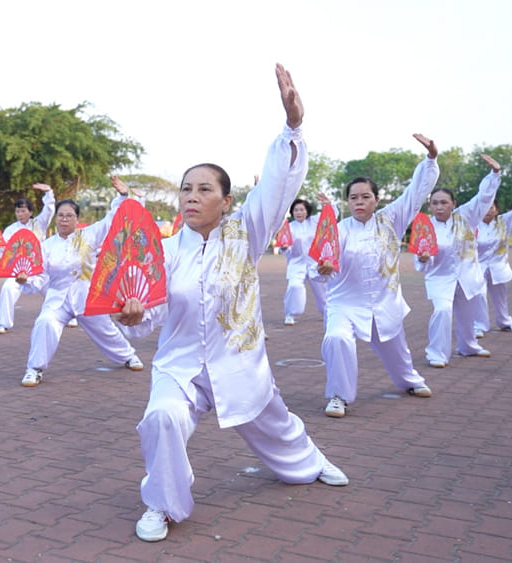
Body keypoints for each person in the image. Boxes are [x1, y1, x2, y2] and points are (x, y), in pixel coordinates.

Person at [117, 64, 347, 543]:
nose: (191, 197)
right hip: (180, 367)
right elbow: (148, 317)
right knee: (161, 418)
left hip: (239, 363)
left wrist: (293, 127)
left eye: (204, 189)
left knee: (278, 425)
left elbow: (277, 189)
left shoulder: (246, 232)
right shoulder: (164, 251)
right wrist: (133, 315)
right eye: (185, 189)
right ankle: (162, 504)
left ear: (226, 200)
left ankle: (310, 461)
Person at [311, 134, 440, 418]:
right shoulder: (339, 229)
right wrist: (322, 268)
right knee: (337, 339)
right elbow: (321, 262)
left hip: (384, 301)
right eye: (353, 197)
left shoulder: (391, 219)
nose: (359, 202)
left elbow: (415, 193)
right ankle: (338, 396)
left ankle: (410, 382)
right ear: (347, 202)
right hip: (345, 303)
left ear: (376, 199)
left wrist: (430, 159)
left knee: (398, 353)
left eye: (365, 196)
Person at [16, 177, 144, 387]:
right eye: (60, 216)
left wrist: (121, 196)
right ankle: (34, 369)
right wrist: (25, 280)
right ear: (55, 219)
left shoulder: (89, 235)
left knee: (106, 329)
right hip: (57, 298)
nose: (64, 220)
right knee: (45, 322)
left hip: (87, 297)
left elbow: (111, 219)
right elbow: (39, 276)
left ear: (77, 219)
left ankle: (128, 356)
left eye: (69, 216)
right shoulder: (46, 246)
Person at [415, 155, 502, 367]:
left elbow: (483, 198)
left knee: (467, 315)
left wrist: (494, 174)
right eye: (435, 203)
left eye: (444, 202)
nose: (439, 207)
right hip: (439, 278)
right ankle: (436, 354)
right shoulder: (425, 227)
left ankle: (468, 347)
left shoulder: (466, 216)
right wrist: (423, 258)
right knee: (442, 311)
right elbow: (421, 260)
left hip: (467, 275)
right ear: (430, 206)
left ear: (453, 204)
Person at [473, 184, 512, 336]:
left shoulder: (504, 222)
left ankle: (505, 322)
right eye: (484, 207)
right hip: (477, 266)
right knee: (479, 295)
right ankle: (479, 325)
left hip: (497, 265)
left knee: (500, 296)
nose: (488, 211)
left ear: (496, 209)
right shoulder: (472, 224)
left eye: (491, 207)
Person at [0, 184, 55, 334]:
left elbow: (49, 209)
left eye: (23, 211)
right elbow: (2, 247)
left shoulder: (39, 223)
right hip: (19, 271)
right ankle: (3, 323)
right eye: (17, 211)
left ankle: (70, 317)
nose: (20, 214)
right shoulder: (11, 229)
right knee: (8, 288)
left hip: (40, 268)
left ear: (30, 212)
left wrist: (48, 192)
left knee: (54, 292)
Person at [277, 194, 334, 325]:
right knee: (294, 286)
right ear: (292, 212)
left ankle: (328, 312)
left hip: (315, 262)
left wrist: (328, 205)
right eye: (296, 210)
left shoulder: (315, 222)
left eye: (302, 209)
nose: (299, 213)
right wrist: (285, 248)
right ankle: (290, 314)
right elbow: (284, 246)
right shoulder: (289, 227)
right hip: (296, 263)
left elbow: (330, 217)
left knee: (322, 290)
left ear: (307, 211)